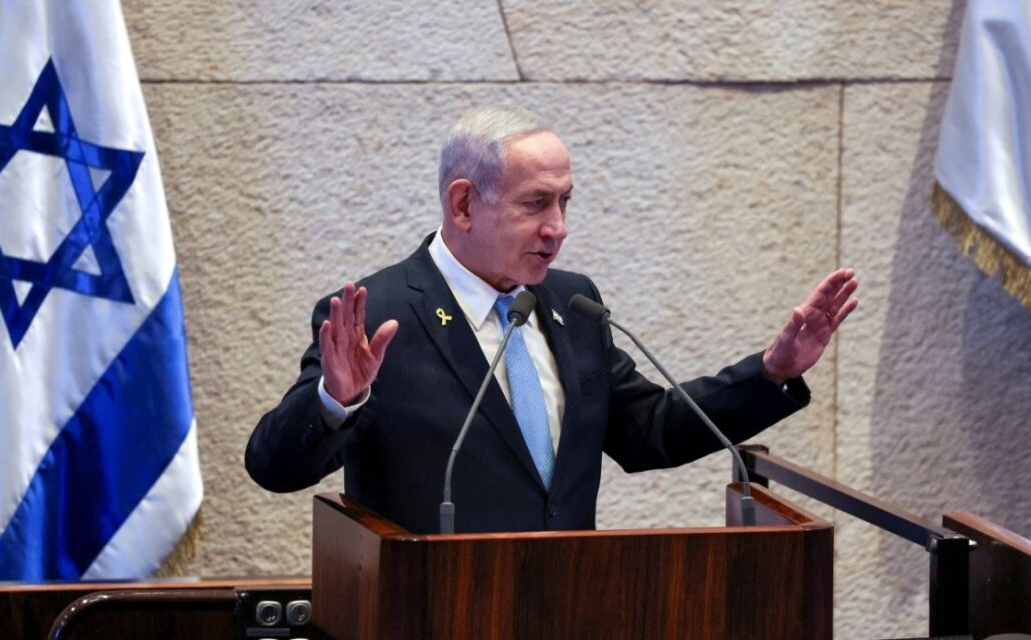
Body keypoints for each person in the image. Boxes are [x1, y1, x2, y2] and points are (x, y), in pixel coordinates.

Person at [245, 105, 858, 534]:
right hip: (435, 618)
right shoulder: (374, 317)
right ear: (463, 203)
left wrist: (771, 373)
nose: (558, 227)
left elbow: (650, 430)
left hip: (567, 610)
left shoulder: (571, 305)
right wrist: (335, 401)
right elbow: (273, 467)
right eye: (535, 203)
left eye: (565, 201)